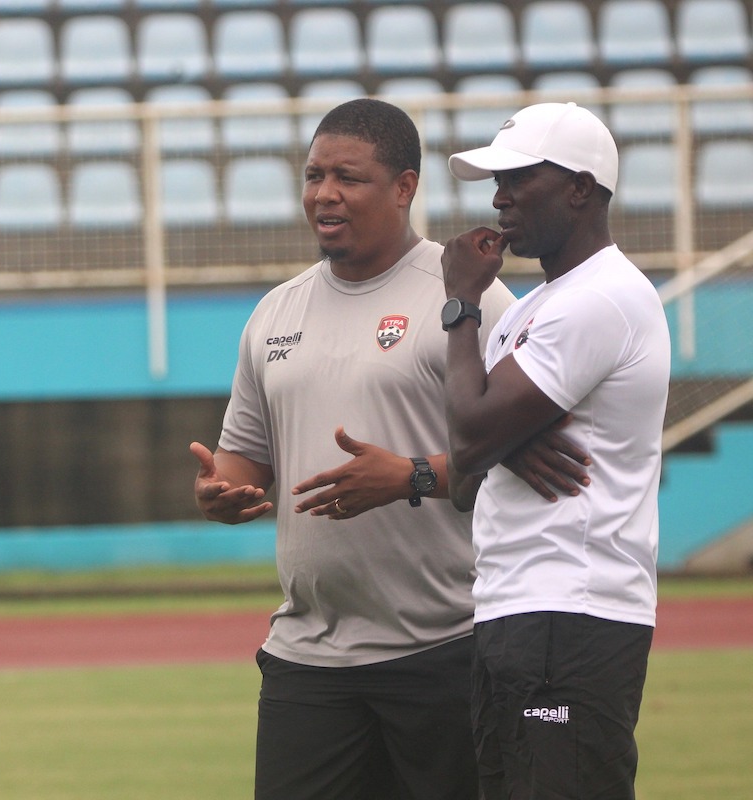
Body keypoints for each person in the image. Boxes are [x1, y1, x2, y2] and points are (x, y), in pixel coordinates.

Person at [189, 99, 588, 799]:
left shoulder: (473, 294)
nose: (324, 193)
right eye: (313, 175)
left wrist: (408, 476)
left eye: (349, 177)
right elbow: (246, 459)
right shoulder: (274, 313)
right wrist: (223, 491)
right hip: (307, 656)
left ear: (405, 187)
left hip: (446, 649)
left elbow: (532, 455)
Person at [441, 102, 672, 799]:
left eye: (518, 178)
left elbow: (470, 432)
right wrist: (498, 447)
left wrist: (460, 305)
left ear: (580, 187)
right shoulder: (541, 305)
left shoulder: (598, 299)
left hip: (570, 614)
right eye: (496, 180)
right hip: (520, 611)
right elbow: (467, 473)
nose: (499, 198)